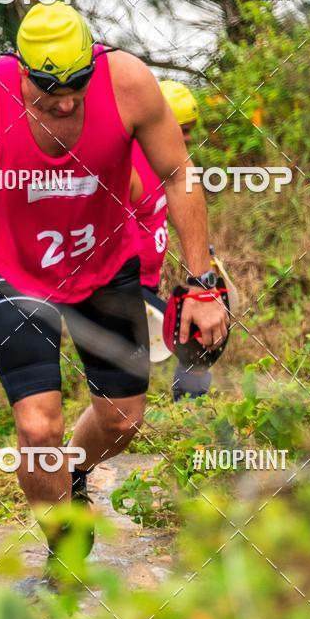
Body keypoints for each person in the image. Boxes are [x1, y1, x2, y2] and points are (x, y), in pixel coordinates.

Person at [0, 1, 227, 576]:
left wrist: (202, 284)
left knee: (123, 420)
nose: (67, 100)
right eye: (50, 87)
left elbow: (179, 174)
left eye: (77, 84)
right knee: (36, 426)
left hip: (105, 271)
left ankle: (72, 471)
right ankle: (64, 551)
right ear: (21, 68)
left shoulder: (127, 83)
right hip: (16, 275)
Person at [130, 80, 213, 400]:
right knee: (196, 340)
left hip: (147, 284)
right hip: (124, 288)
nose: (189, 137)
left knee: (197, 338)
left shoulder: (171, 167)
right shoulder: (132, 166)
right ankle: (192, 415)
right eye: (183, 129)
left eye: (192, 129)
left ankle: (186, 413)